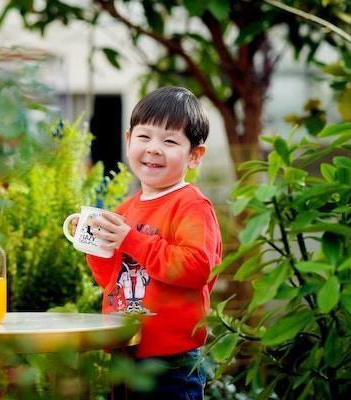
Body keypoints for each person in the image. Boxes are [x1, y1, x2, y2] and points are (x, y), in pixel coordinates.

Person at [86, 86, 222, 399]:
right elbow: (110, 280)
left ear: (194, 156)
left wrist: (132, 240)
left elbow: (197, 268)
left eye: (170, 141)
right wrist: (95, 244)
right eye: (144, 137)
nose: (154, 148)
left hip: (172, 360)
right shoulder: (126, 209)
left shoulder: (192, 205)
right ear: (128, 139)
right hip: (125, 349)